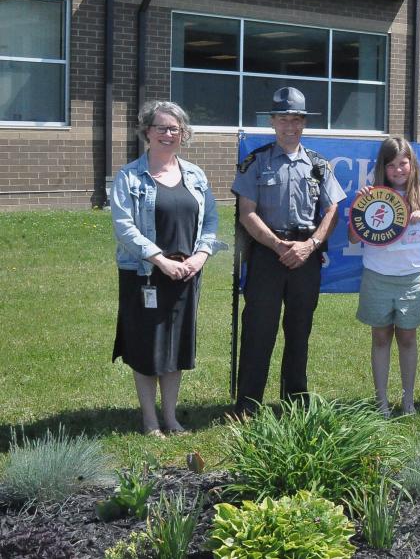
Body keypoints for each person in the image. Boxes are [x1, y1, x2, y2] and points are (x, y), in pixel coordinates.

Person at [231, 87, 346, 416]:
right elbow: (246, 213)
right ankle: (248, 406)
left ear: (304, 123)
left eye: (296, 119)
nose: (290, 126)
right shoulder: (255, 162)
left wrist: (310, 245)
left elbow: (332, 211)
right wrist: (279, 245)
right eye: (284, 119)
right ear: (273, 122)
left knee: (299, 332)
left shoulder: (319, 165)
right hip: (268, 255)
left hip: (305, 257)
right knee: (258, 331)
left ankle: (295, 402)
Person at [111, 101, 221, 437]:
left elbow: (211, 221)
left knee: (176, 347)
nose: (168, 134)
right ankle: (149, 421)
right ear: (147, 131)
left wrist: (201, 256)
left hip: (186, 273)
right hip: (146, 274)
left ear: (183, 134)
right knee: (147, 348)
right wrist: (160, 260)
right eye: (161, 128)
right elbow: (124, 226)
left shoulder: (196, 176)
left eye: (175, 129)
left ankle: (171, 418)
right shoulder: (129, 176)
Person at [348, 137, 420, 417]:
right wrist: (360, 204)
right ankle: (381, 402)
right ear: (383, 168)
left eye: (403, 163)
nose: (398, 170)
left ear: (412, 164)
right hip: (377, 275)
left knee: (407, 338)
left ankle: (408, 401)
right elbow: (353, 238)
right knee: (380, 338)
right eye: (391, 165)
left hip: (412, 277)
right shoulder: (372, 196)